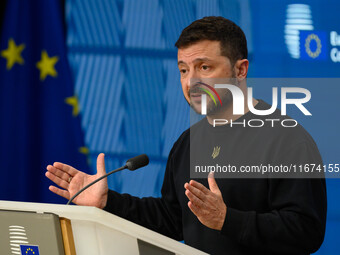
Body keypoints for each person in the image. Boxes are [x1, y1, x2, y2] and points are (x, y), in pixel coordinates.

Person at [45, 17, 327, 254]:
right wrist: (108, 203)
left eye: (205, 67)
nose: (192, 81)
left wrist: (227, 220)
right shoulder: (188, 142)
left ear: (240, 69)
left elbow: (306, 231)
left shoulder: (287, 139)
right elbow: (173, 219)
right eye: (183, 69)